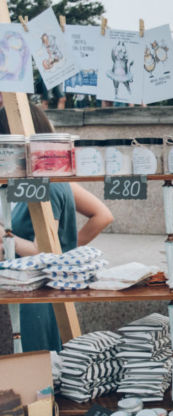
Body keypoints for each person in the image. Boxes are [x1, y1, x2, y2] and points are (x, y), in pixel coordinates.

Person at [0, 104, 114, 351]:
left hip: (36, 296)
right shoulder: (26, 181)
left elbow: (46, 251)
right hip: (26, 286)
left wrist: (64, 251)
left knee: (37, 369)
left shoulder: (48, 184)